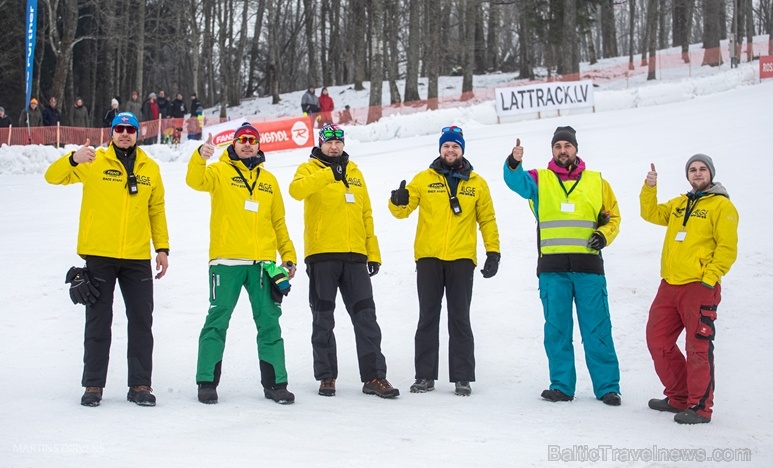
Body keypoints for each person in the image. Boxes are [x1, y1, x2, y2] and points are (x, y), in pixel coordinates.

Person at [44, 112, 170, 407]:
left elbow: (157, 209)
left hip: (137, 256)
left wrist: (162, 247)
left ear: (138, 134)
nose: (125, 133)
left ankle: (140, 385)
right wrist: (73, 159)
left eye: (130, 129)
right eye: (119, 129)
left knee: (141, 322)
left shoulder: (150, 168)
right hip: (100, 255)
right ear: (111, 133)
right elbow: (52, 177)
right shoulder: (93, 161)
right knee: (98, 321)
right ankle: (93, 385)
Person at [503, 125, 622, 406]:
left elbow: (613, 217)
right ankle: (562, 386)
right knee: (557, 329)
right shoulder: (539, 179)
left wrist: (603, 235)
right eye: (557, 147)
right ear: (552, 151)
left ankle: (608, 387)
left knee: (597, 328)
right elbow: (515, 182)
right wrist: (514, 162)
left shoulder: (597, 181)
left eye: (567, 146)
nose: (562, 150)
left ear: (576, 149)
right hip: (552, 269)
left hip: (589, 268)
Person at [186, 123, 298, 405]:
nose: (247, 144)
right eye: (242, 140)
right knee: (217, 321)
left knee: (270, 323)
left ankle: (276, 384)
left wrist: (288, 255)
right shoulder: (219, 171)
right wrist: (201, 155)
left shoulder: (269, 180)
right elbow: (194, 181)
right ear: (233, 144)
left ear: (259, 145)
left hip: (263, 265)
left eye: (252, 140)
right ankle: (206, 382)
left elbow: (278, 222)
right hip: (226, 261)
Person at [288, 123, 399, 399]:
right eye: (329, 142)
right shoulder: (309, 169)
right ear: (321, 144)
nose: (334, 147)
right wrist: (327, 174)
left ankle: (375, 377)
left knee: (366, 318)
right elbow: (296, 191)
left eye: (339, 142)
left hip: (355, 257)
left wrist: (372, 252)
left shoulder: (355, 172)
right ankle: (327, 377)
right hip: (322, 255)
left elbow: (367, 215)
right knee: (323, 319)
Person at [388, 126, 500, 396]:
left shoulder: (477, 183)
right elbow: (402, 212)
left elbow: (487, 220)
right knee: (428, 317)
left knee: (460, 318)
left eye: (455, 147)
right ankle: (424, 376)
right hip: (428, 258)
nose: (450, 151)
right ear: (440, 149)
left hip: (461, 259)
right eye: (446, 146)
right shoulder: (423, 179)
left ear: (462, 150)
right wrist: (397, 200)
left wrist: (493, 252)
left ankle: (462, 377)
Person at [640, 154, 738, 424]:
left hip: (699, 286)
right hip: (669, 284)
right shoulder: (679, 203)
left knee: (697, 347)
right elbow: (650, 213)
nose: (697, 173)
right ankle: (679, 397)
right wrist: (650, 188)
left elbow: (727, 247)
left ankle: (700, 406)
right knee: (657, 340)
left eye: (702, 169)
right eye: (692, 169)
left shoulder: (721, 205)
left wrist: (710, 276)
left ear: (711, 173)